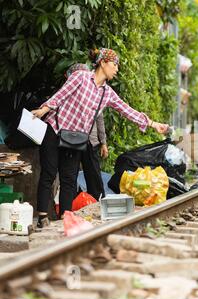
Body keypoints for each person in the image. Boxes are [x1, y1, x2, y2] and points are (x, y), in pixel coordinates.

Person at [32, 48, 169, 227]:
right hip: (55, 129)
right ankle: (42, 216)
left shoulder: (107, 93)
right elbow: (60, 95)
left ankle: (64, 220)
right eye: (114, 64)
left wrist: (152, 124)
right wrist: (43, 109)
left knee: (69, 179)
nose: (116, 69)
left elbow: (127, 110)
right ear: (103, 63)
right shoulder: (80, 77)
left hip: (74, 139)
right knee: (49, 173)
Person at [65, 63, 108, 200]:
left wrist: (103, 142)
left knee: (94, 174)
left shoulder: (95, 93)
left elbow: (99, 118)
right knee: (70, 176)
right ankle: (69, 206)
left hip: (90, 141)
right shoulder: (69, 92)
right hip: (72, 139)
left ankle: (98, 203)